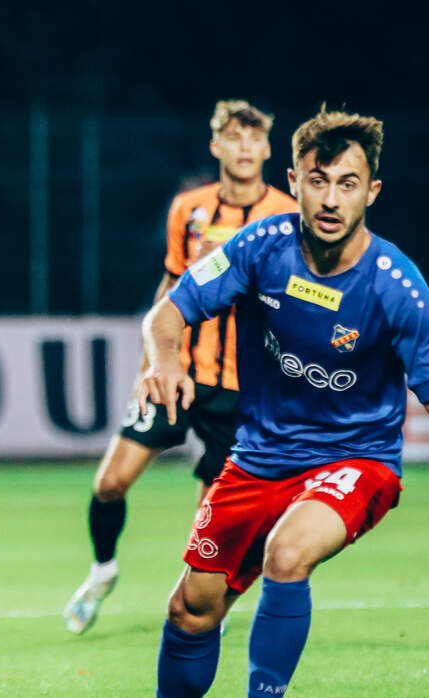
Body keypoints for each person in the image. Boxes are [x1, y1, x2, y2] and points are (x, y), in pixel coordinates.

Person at [127, 108, 429, 698]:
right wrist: (164, 358)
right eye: (318, 181)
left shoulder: (397, 286)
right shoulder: (259, 247)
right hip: (259, 458)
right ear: (292, 180)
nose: (330, 199)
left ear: (371, 191)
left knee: (287, 553)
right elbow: (167, 312)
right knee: (191, 607)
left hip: (358, 462)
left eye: (347, 184)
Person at [64, 100, 296, 635]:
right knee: (110, 483)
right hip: (179, 376)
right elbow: (170, 286)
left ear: (267, 148)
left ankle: (197, 605)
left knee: (209, 522)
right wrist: (150, 365)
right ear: (216, 146)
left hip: (242, 391)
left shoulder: (287, 216)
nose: (244, 148)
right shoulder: (188, 210)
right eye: (233, 138)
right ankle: (102, 570)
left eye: (253, 138)